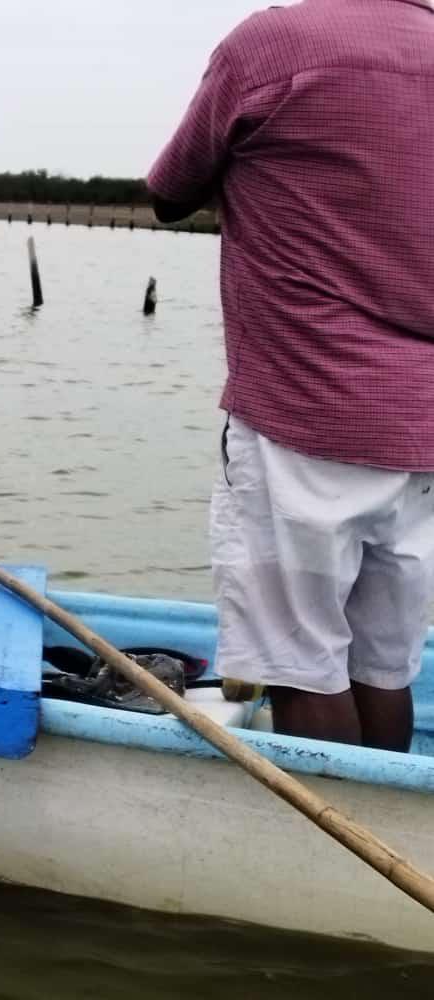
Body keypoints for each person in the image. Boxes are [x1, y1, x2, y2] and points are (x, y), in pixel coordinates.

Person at [146, 0, 434, 751]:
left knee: (301, 664)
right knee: (385, 663)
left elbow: (169, 193)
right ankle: (378, 849)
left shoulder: (274, 42)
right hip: (425, 426)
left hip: (304, 410)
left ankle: (323, 847)